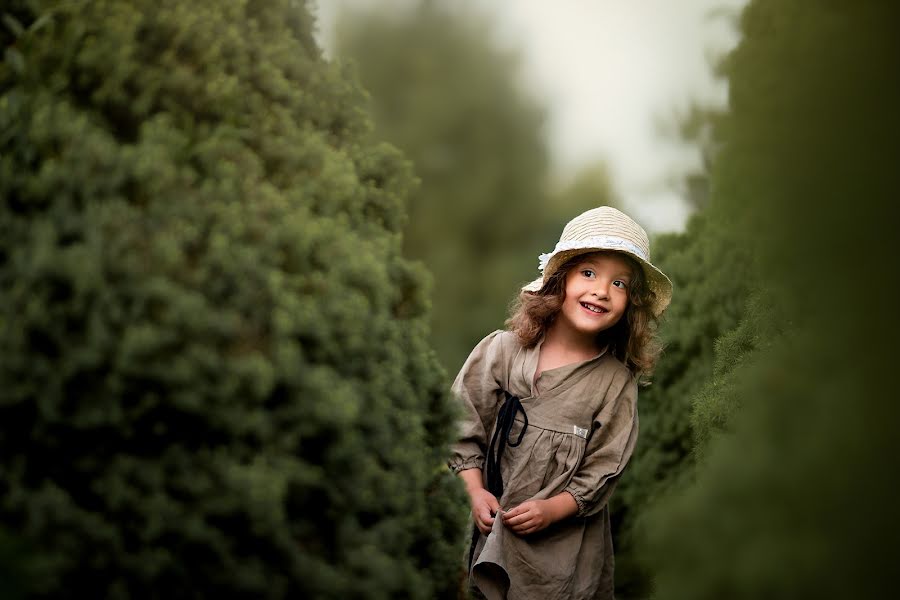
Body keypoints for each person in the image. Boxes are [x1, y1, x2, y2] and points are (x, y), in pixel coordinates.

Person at [448, 206, 673, 599]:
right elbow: (460, 420)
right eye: (588, 273)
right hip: (488, 519)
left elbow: (605, 465)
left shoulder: (613, 383)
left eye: (619, 284)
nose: (601, 290)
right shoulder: (502, 352)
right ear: (560, 280)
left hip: (562, 549)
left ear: (631, 304)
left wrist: (553, 510)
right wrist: (473, 490)